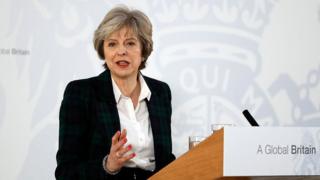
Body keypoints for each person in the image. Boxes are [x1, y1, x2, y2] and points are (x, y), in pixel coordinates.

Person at [55, 5, 175, 180]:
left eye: (130, 43)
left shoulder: (160, 92)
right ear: (103, 51)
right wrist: (108, 165)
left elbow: (165, 161)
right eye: (112, 44)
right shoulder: (81, 93)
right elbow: (66, 172)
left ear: (144, 50)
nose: (121, 51)